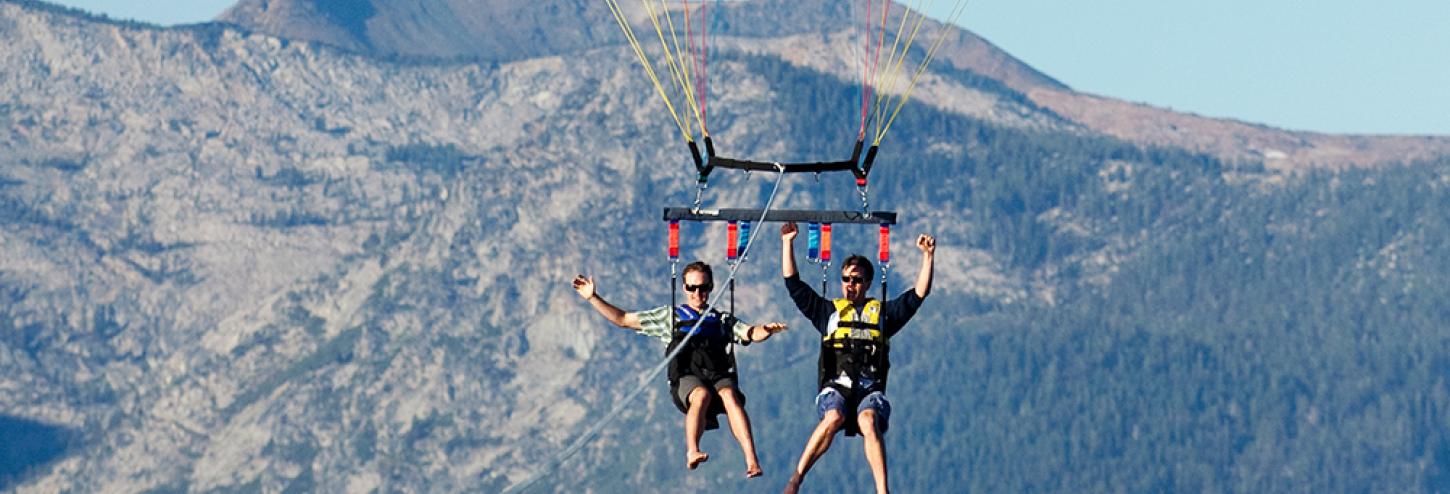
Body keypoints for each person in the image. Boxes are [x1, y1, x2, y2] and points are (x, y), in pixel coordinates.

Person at [571, 262, 788, 478]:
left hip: (718, 375)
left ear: (711, 288)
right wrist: (592, 298)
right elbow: (623, 320)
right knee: (700, 395)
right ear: (684, 288)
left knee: (730, 396)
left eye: (702, 288)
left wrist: (766, 330)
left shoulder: (721, 320)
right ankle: (692, 450)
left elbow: (749, 332)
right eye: (691, 288)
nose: (697, 293)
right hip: (687, 376)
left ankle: (751, 459)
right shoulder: (670, 317)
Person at [778, 222, 935, 494]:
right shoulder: (827, 312)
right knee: (834, 417)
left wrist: (928, 257)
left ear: (868, 283)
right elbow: (794, 285)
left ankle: (882, 490)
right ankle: (796, 479)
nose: (851, 285)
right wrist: (788, 243)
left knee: (868, 420)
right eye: (847, 279)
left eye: (857, 280)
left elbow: (918, 295)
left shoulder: (883, 314)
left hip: (869, 388)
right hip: (835, 386)